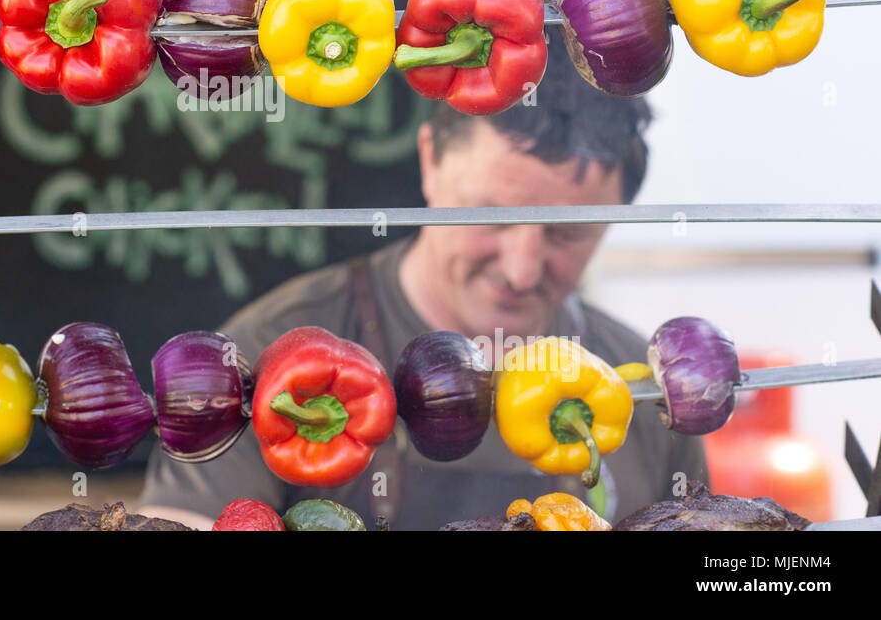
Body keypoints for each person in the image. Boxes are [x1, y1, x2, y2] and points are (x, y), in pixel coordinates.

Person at [137, 45, 708, 530]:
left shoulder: (647, 389)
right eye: (491, 216)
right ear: (430, 162)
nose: (522, 269)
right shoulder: (268, 356)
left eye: (569, 234)